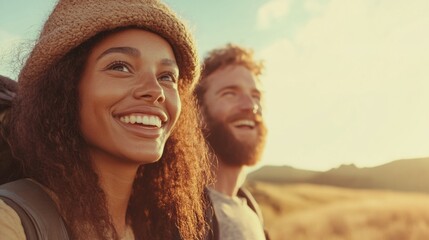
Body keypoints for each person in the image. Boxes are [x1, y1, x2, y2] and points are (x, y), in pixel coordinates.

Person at [0, 0, 211, 239]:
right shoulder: (10, 222)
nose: (156, 90)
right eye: (120, 67)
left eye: (166, 76)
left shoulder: (156, 229)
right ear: (63, 89)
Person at [195, 44, 269, 240]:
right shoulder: (180, 217)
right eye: (230, 93)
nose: (250, 106)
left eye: (256, 96)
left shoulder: (251, 209)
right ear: (198, 113)